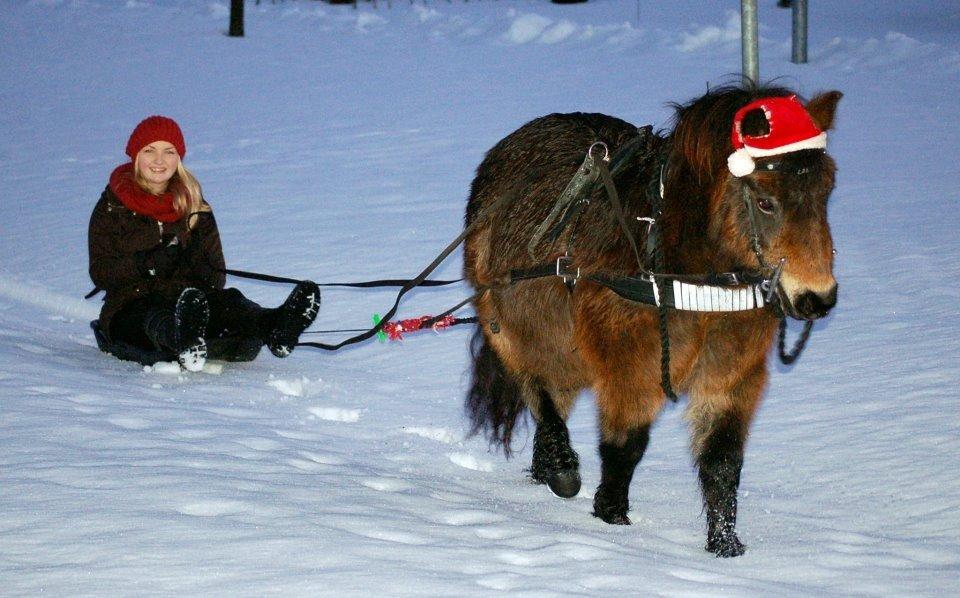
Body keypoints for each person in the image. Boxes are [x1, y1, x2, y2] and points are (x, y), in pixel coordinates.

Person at [88, 115, 320, 371]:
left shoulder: (195, 205)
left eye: (169, 151)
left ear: (179, 158)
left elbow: (215, 278)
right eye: (149, 150)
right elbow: (101, 272)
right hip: (129, 306)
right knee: (152, 315)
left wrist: (193, 262)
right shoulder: (112, 206)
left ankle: (275, 326)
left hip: (188, 303)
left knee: (229, 301)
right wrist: (146, 264)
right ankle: (182, 341)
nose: (159, 160)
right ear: (135, 156)